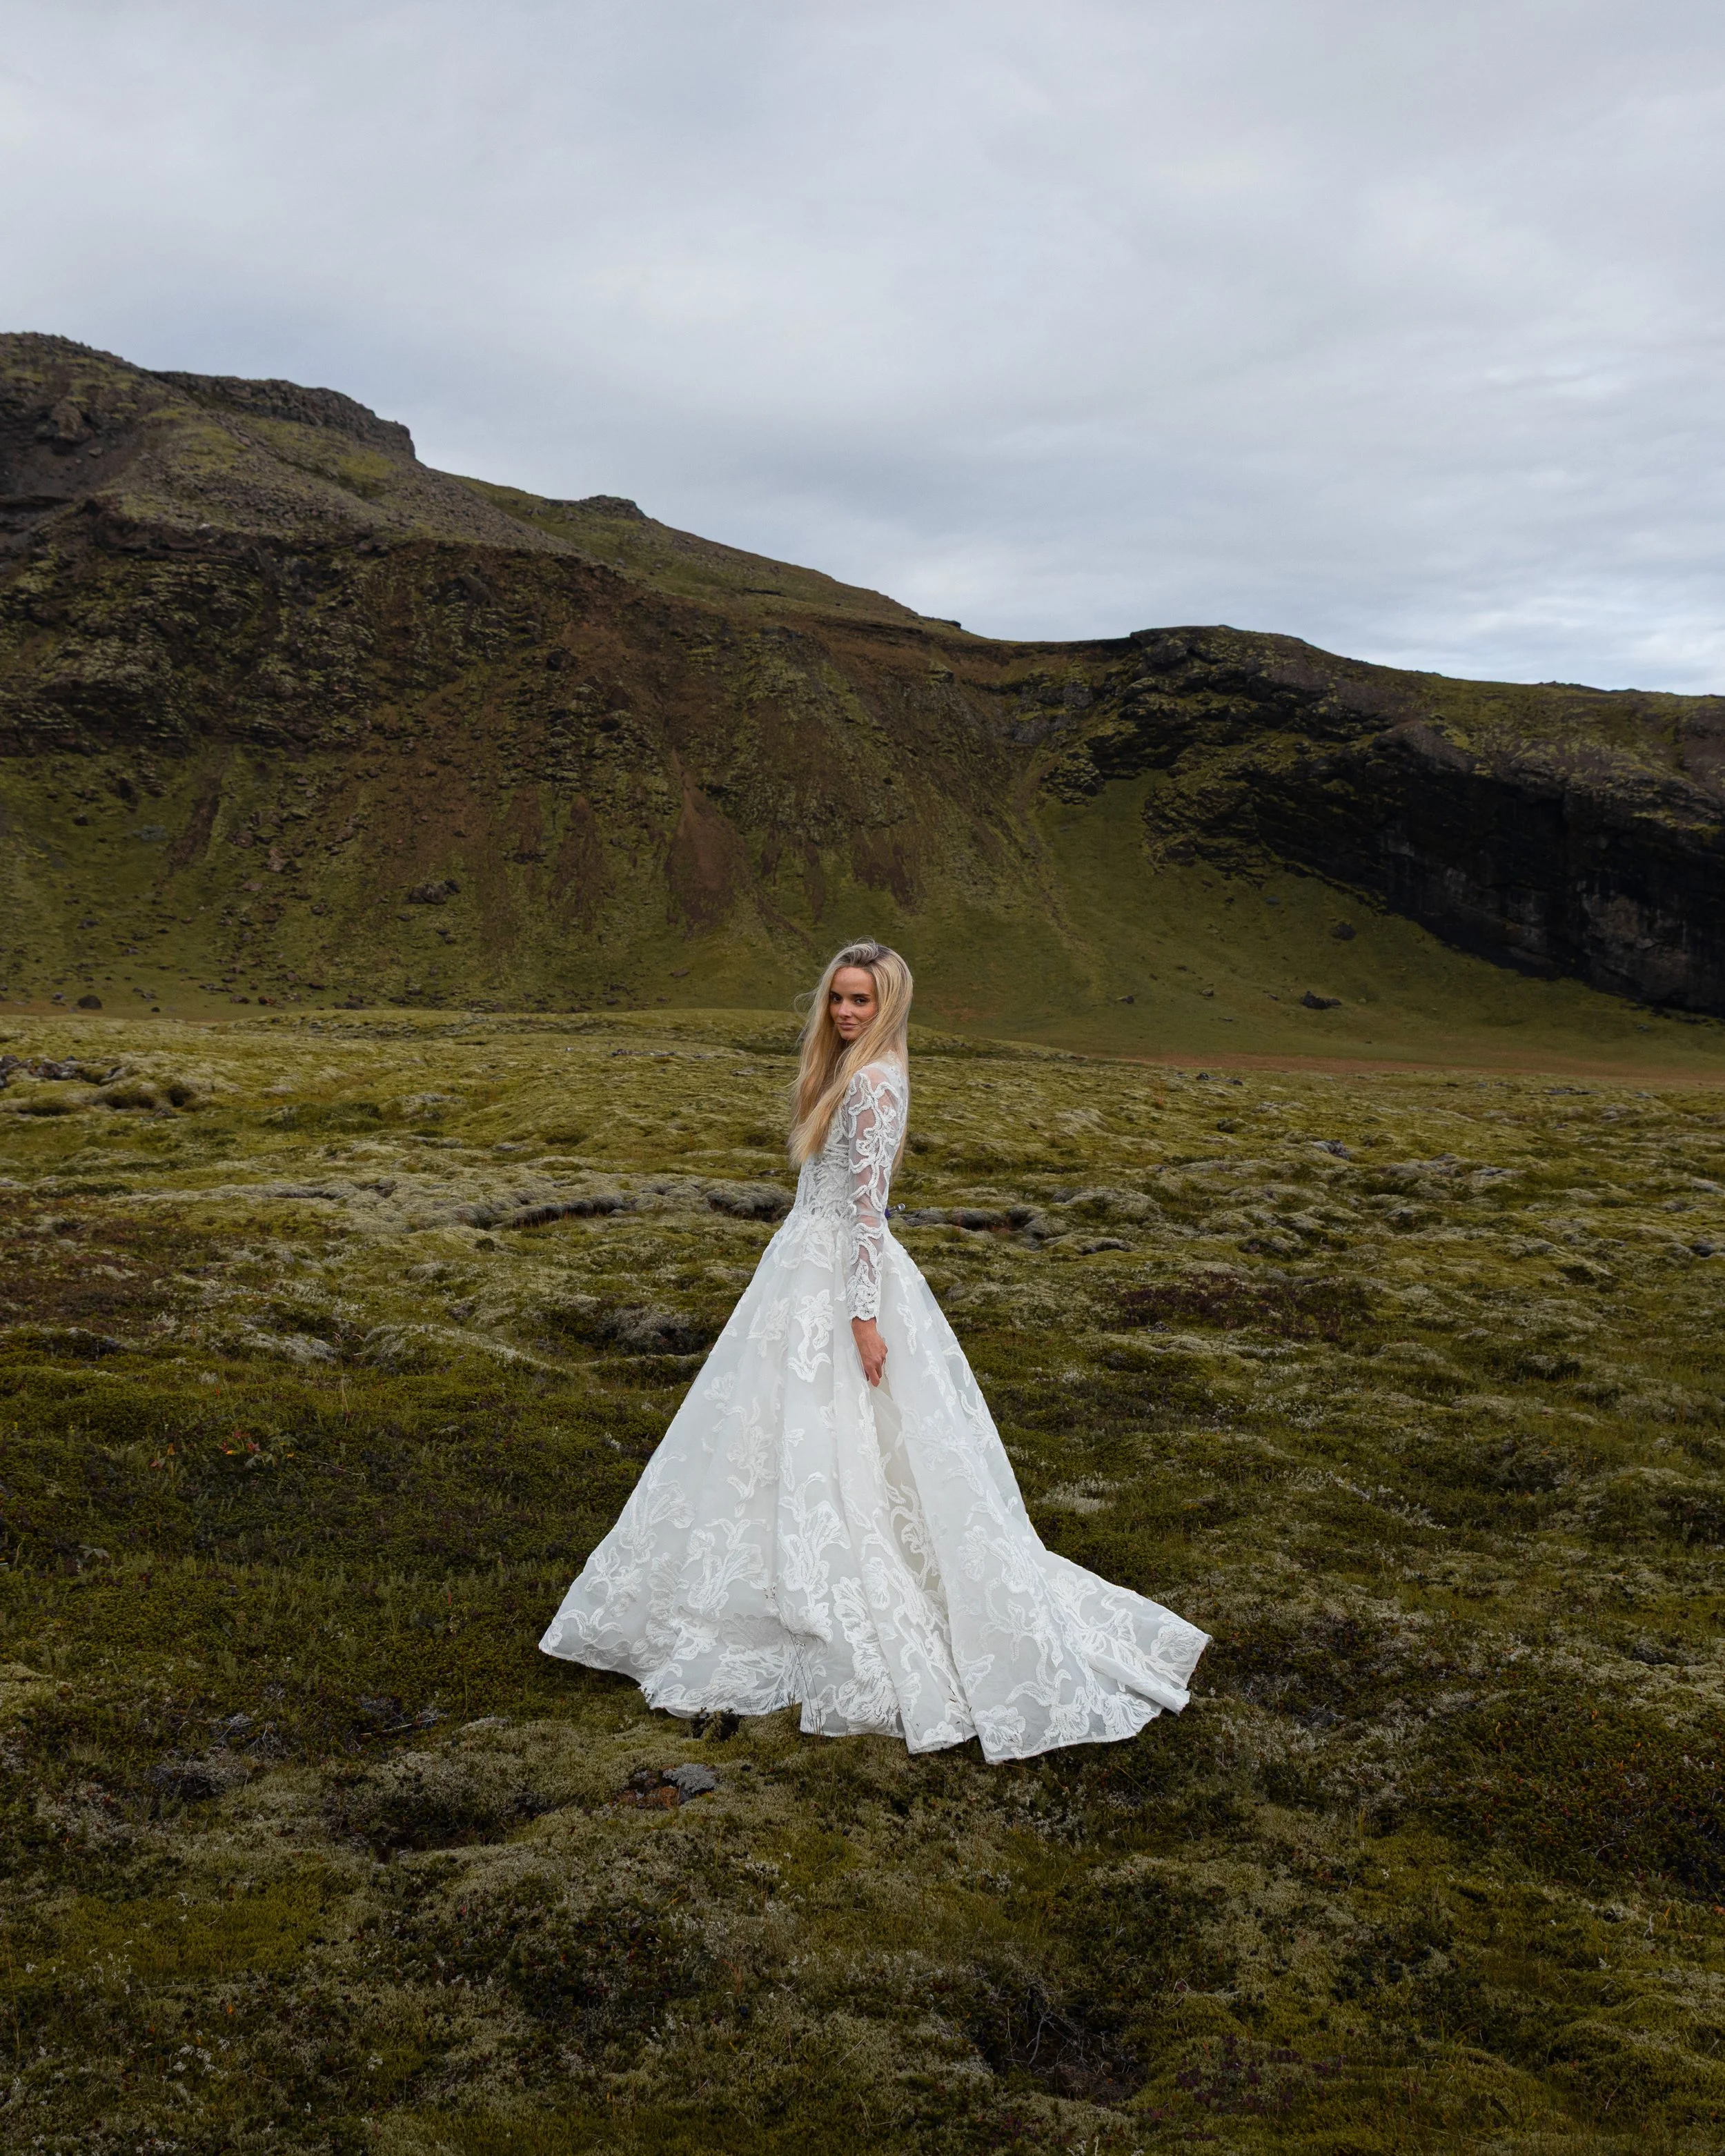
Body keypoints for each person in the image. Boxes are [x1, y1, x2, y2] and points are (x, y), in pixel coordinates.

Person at [540, 939, 1208, 1761]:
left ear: (889, 1003)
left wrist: (861, 1317)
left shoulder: (875, 1084)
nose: (846, 1012)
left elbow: (867, 1215)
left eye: (861, 1000)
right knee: (774, 1432)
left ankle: (839, 1594)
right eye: (837, 998)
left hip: (839, 1280)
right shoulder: (848, 1075)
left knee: (846, 1437)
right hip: (800, 1267)